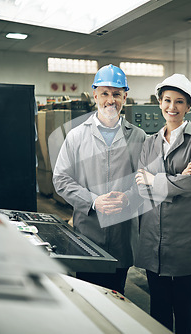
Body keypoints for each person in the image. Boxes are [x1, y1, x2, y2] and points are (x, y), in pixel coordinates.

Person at [52, 64, 146, 294]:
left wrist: (128, 199)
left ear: (125, 96)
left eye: (116, 94)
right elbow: (61, 178)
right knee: (88, 299)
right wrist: (93, 202)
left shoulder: (139, 137)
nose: (110, 100)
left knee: (117, 299)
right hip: (88, 234)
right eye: (104, 93)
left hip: (122, 236)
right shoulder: (76, 135)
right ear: (95, 95)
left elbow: (147, 182)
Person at [134, 74, 191, 334]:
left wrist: (155, 180)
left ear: (189, 106)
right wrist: (176, 180)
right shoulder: (149, 142)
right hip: (153, 238)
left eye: (180, 101)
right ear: (159, 102)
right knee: (158, 310)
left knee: (185, 310)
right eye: (167, 100)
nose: (172, 107)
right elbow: (140, 186)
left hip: (185, 239)